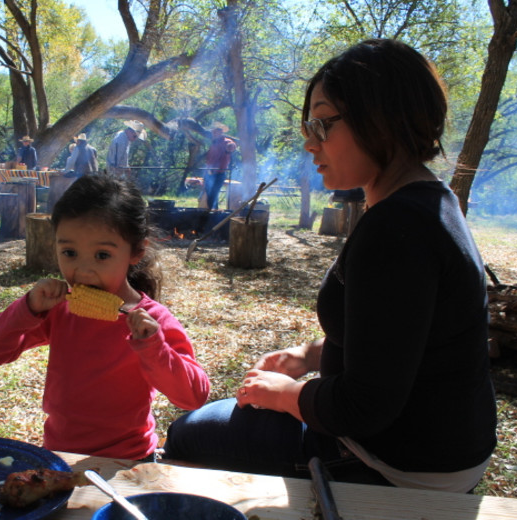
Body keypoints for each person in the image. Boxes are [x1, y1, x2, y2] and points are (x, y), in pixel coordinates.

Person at [162, 39, 497, 494]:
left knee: (188, 436)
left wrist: (281, 394)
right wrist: (311, 356)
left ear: (381, 117)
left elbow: (363, 407)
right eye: (309, 124)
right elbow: (400, 336)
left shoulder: (396, 228)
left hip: (398, 463)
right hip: (442, 450)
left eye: (322, 124)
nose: (309, 141)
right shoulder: (430, 202)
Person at [0, 174, 209, 460]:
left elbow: (193, 396)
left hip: (129, 458)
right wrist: (27, 309)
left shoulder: (154, 321)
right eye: (69, 252)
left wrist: (154, 348)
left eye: (102, 255)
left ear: (136, 252)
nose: (83, 271)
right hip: (59, 453)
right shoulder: (59, 309)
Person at [201, 122, 236, 210]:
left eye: (217, 131)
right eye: (214, 131)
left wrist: (230, 147)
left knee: (213, 193)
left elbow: (232, 146)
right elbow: (210, 159)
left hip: (219, 173)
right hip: (209, 173)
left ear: (221, 132)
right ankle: (213, 211)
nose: (214, 133)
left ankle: (213, 212)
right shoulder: (213, 143)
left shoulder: (227, 142)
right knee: (209, 194)